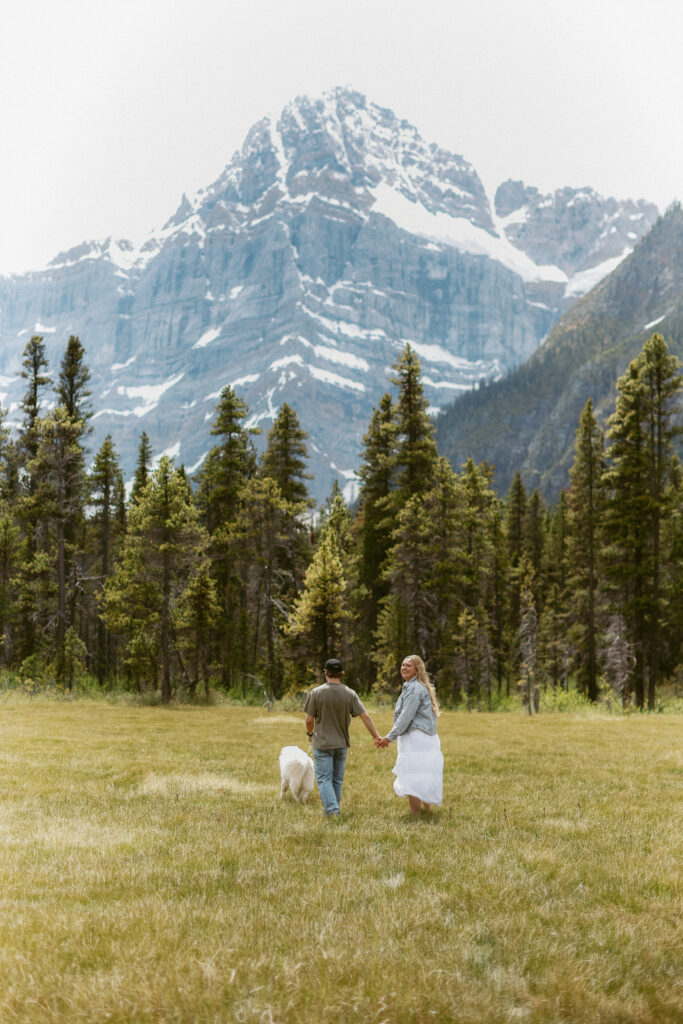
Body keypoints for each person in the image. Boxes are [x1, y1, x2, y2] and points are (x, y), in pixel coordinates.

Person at [304, 658, 382, 817]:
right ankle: (332, 810)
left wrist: (310, 734)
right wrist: (376, 736)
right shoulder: (349, 693)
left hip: (323, 744)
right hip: (341, 744)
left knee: (324, 779)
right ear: (341, 673)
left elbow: (309, 719)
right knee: (337, 780)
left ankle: (333, 811)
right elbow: (365, 716)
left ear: (325, 672)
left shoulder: (317, 693)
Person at [378, 654, 443, 816]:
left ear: (417, 669)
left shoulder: (414, 689)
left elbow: (405, 717)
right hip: (426, 738)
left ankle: (416, 814)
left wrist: (389, 737)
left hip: (416, 738)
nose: (404, 668)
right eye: (402, 665)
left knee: (413, 775)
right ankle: (426, 811)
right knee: (425, 773)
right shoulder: (417, 687)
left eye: (408, 665)